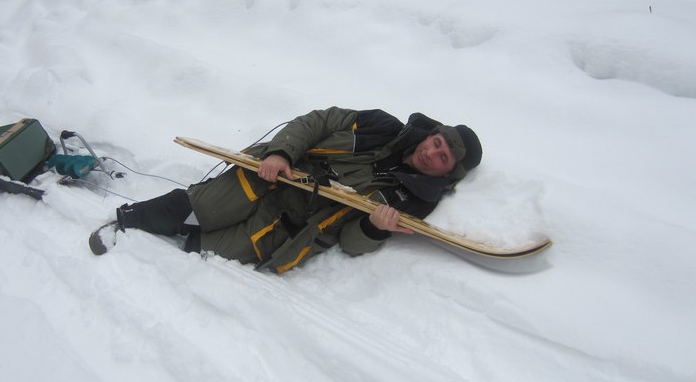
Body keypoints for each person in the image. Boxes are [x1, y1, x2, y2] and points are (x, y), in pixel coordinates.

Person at [90, 107, 482, 273]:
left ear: (448, 172)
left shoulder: (412, 201)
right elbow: (319, 121)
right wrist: (281, 152)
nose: (433, 153)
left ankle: (157, 247)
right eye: (436, 143)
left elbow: (349, 241)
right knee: (200, 206)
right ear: (430, 135)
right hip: (274, 174)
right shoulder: (382, 125)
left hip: (289, 224)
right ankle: (126, 220)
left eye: (444, 157)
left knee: (206, 248)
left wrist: (374, 229)